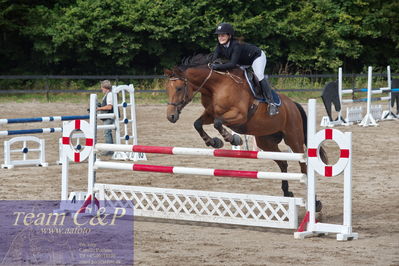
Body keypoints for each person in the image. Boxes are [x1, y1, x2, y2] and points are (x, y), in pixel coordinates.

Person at [210, 22, 279, 115]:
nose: (220, 38)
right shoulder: (219, 46)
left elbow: (232, 64)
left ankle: (271, 103)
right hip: (242, 62)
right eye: (218, 36)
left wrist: (217, 66)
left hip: (256, 57)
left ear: (229, 36)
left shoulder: (236, 45)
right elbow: (213, 60)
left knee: (259, 75)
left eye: (223, 35)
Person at [96, 80, 114, 156]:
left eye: (102, 88)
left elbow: (109, 106)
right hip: (108, 115)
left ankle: (109, 150)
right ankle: (110, 149)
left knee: (107, 133)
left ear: (106, 88)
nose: (101, 89)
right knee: (107, 133)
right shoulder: (107, 94)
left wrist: (98, 109)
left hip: (109, 116)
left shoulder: (109, 94)